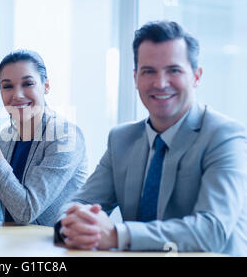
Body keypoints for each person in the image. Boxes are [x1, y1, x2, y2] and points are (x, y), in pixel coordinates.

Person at [55, 21, 247, 256]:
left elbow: (212, 231)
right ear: (135, 78)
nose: (160, 83)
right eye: (149, 71)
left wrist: (118, 235)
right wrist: (74, 224)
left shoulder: (225, 136)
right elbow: (79, 202)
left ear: (196, 76)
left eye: (173, 70)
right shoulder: (121, 139)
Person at [0, 50, 88, 226]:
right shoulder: (5, 138)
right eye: (7, 86)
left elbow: (25, 212)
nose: (17, 95)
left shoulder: (65, 137)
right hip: (16, 245)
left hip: (57, 247)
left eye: (28, 83)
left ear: (46, 86)